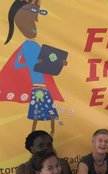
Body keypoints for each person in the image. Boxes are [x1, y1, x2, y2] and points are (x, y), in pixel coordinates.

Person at [0, 0, 65, 136]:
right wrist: (31, 64)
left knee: (50, 108)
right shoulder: (25, 46)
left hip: (44, 82)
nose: (33, 29)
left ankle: (52, 131)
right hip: (36, 84)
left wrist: (60, 62)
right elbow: (17, 65)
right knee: (36, 110)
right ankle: (33, 133)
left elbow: (48, 61)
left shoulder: (37, 46)